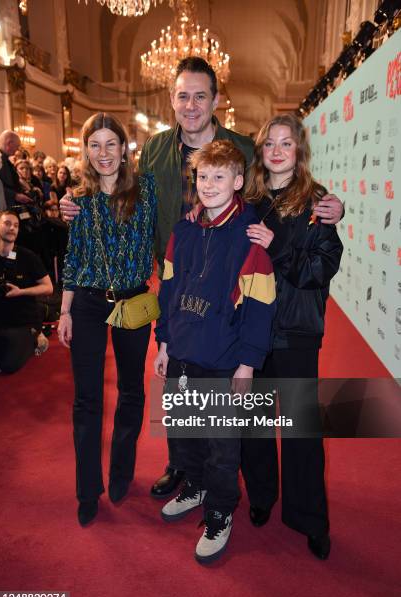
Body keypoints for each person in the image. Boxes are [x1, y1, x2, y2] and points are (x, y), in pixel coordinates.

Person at [60, 56, 345, 500]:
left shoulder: (244, 148)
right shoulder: (153, 149)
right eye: (182, 96)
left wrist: (328, 204)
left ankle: (235, 484)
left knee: (235, 394)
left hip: (230, 289)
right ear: (171, 100)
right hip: (175, 285)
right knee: (181, 386)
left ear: (215, 100)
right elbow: (121, 190)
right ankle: (183, 468)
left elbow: (282, 183)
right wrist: (76, 203)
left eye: (200, 96)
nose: (190, 105)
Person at [154, 140, 275, 563]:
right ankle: (195, 485)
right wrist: (164, 343)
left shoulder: (252, 235)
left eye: (219, 176)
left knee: (223, 444)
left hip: (224, 358)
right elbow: (168, 289)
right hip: (183, 350)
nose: (208, 184)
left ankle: (221, 511)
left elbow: (260, 306)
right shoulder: (184, 229)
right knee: (184, 430)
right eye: (203, 176)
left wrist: (247, 364)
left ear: (238, 181)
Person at [241, 113, 343, 560]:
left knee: (302, 431)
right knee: (253, 424)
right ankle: (261, 496)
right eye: (270, 144)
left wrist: (276, 244)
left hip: (297, 331)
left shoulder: (317, 202)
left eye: (287, 143)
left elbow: (320, 269)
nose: (278, 151)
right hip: (253, 329)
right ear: (261, 152)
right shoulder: (248, 200)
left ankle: (308, 517)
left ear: (299, 151)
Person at [58, 112, 157, 527]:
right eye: (94, 145)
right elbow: (75, 258)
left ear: (124, 149)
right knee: (87, 399)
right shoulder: (77, 200)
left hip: (133, 301)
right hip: (88, 304)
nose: (103, 153)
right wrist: (64, 310)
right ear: (85, 151)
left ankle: (121, 472)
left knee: (132, 392)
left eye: (110, 144)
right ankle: (87, 490)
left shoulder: (146, 189)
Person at [0, 210, 52, 374]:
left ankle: (36, 335)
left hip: (22, 323)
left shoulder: (28, 257)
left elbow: (48, 287)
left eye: (16, 225)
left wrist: (21, 292)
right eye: (7, 224)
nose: (12, 228)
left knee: (8, 365)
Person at [0, 131, 33, 207]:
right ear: (9, 143)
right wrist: (15, 195)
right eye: (17, 146)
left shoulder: (4, 158)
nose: (17, 150)